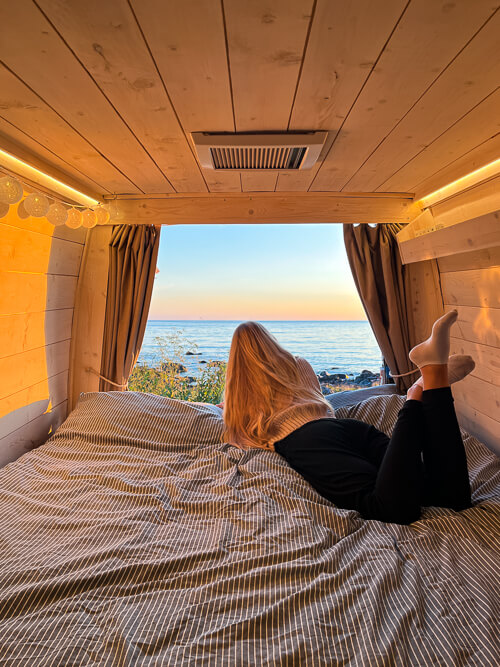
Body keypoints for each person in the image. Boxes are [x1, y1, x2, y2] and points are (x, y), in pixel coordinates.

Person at [220, 313, 474, 525]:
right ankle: (435, 375)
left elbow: (236, 430)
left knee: (387, 508)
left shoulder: (239, 392)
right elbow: (319, 401)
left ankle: (414, 394)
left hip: (308, 443)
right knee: (447, 495)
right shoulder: (298, 364)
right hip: (345, 429)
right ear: (271, 342)